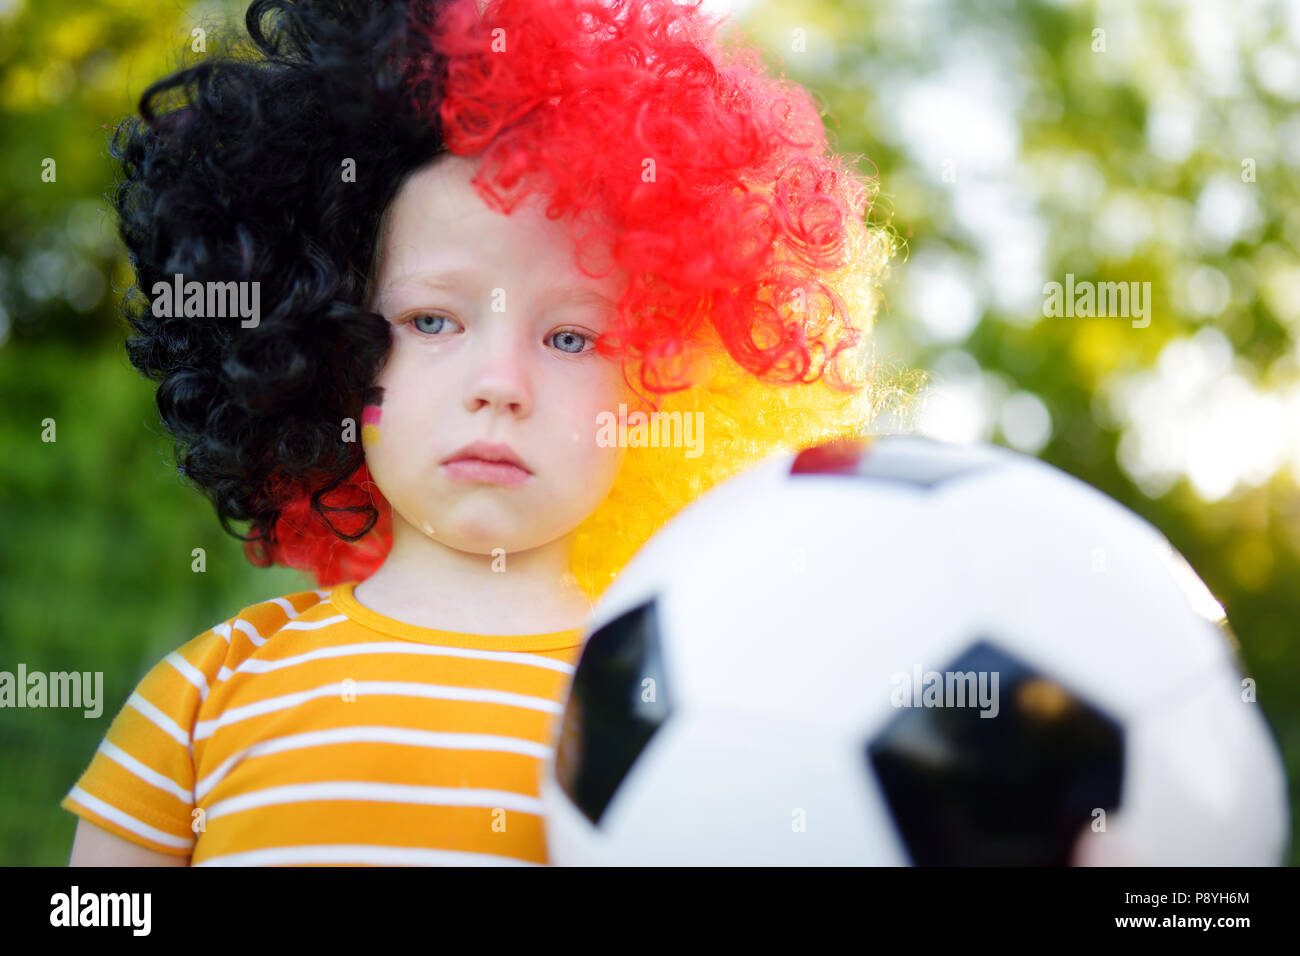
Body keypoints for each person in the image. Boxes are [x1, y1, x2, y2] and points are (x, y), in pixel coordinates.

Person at [62, 0, 897, 865]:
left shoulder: (679, 715)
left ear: (660, 386)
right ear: (327, 345)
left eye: (571, 337)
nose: (501, 384)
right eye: (431, 320)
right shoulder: (204, 697)